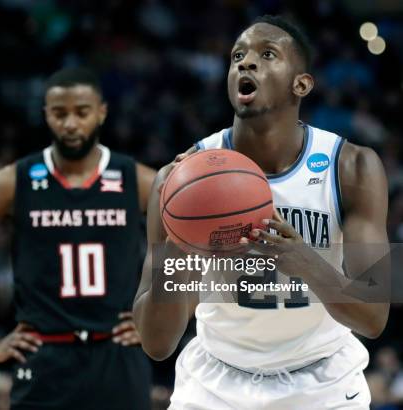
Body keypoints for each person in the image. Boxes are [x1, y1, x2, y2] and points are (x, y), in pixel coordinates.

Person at [133, 15, 390, 410]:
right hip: (216, 380)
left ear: (300, 83)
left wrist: (305, 261)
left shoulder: (352, 167)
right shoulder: (178, 182)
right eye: (238, 56)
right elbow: (156, 343)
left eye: (266, 54)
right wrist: (177, 248)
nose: (245, 63)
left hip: (323, 383)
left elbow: (374, 318)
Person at [0, 67, 156, 409]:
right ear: (46, 115)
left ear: (101, 112)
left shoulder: (134, 179)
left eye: (81, 112)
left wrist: (159, 318)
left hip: (117, 354)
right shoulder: (11, 183)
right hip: (45, 356)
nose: (71, 124)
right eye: (60, 114)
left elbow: (197, 246)